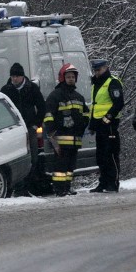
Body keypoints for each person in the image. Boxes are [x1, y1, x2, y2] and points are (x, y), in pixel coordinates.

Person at [43, 63, 90, 196]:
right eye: (68, 76)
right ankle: (59, 189)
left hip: (75, 140)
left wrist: (83, 124)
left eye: (73, 77)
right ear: (62, 78)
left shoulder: (79, 97)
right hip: (60, 141)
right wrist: (53, 135)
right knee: (60, 168)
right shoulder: (55, 96)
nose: (71, 79)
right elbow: (48, 116)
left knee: (70, 167)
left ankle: (67, 187)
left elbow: (86, 113)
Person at [1, 62, 46, 195]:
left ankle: (27, 186)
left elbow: (42, 107)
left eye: (17, 76)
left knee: (32, 157)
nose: (14, 79)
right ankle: (16, 187)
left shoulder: (32, 88)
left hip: (29, 128)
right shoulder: (6, 90)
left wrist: (36, 124)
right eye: (12, 76)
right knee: (15, 157)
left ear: (22, 76)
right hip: (13, 131)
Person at [89, 59, 124, 193]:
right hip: (99, 124)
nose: (97, 72)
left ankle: (113, 183)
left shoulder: (112, 82)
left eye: (99, 69)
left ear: (106, 68)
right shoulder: (96, 84)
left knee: (111, 154)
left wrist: (108, 117)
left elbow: (119, 103)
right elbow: (95, 105)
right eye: (95, 70)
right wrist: (92, 124)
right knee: (101, 155)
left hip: (109, 124)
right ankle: (103, 183)